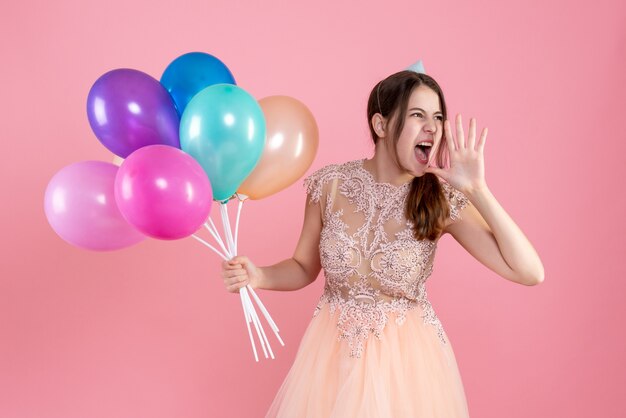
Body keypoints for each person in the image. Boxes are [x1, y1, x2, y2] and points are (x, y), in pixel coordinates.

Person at [221, 70, 544, 417]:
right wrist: (258, 276)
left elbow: (529, 272)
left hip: (406, 372)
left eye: (438, 117)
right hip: (332, 359)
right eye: (418, 115)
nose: (433, 128)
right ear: (381, 124)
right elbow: (303, 267)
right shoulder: (330, 186)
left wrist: (477, 190)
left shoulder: (440, 201)